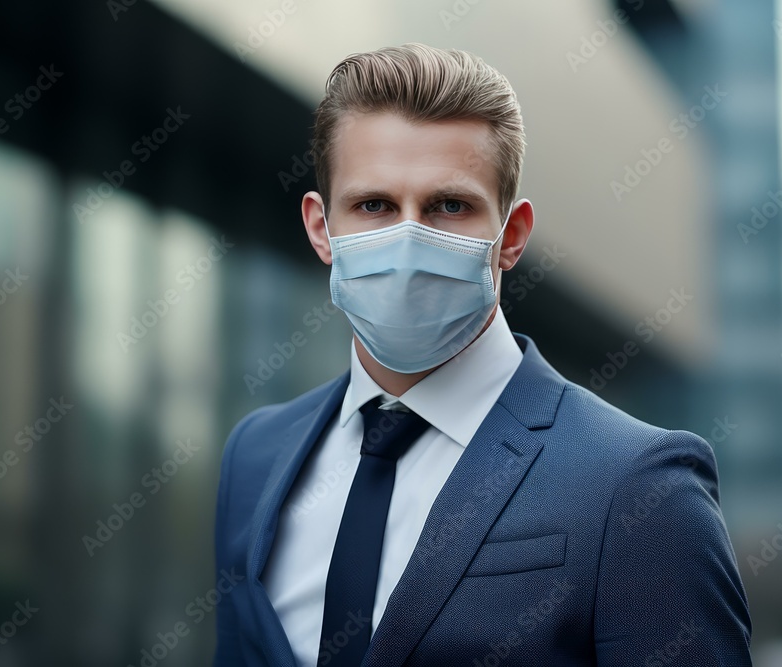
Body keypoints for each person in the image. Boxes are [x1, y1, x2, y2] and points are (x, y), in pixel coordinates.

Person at [213, 43, 752, 667]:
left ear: (511, 236)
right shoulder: (256, 455)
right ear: (320, 228)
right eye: (374, 206)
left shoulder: (641, 487)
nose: (409, 238)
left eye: (450, 206)